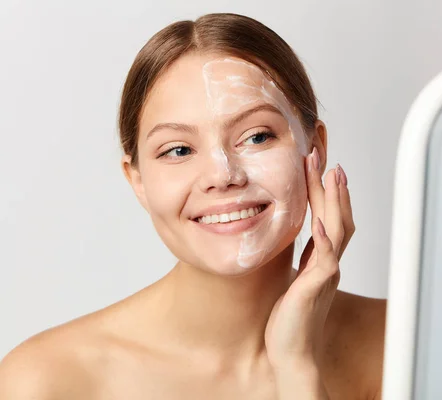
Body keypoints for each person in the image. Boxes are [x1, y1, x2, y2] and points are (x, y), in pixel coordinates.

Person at [0, 13, 386, 399]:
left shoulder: (405, 345)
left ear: (315, 148)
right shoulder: (46, 380)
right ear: (137, 180)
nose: (222, 174)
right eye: (178, 150)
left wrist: (296, 363)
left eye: (256, 137)